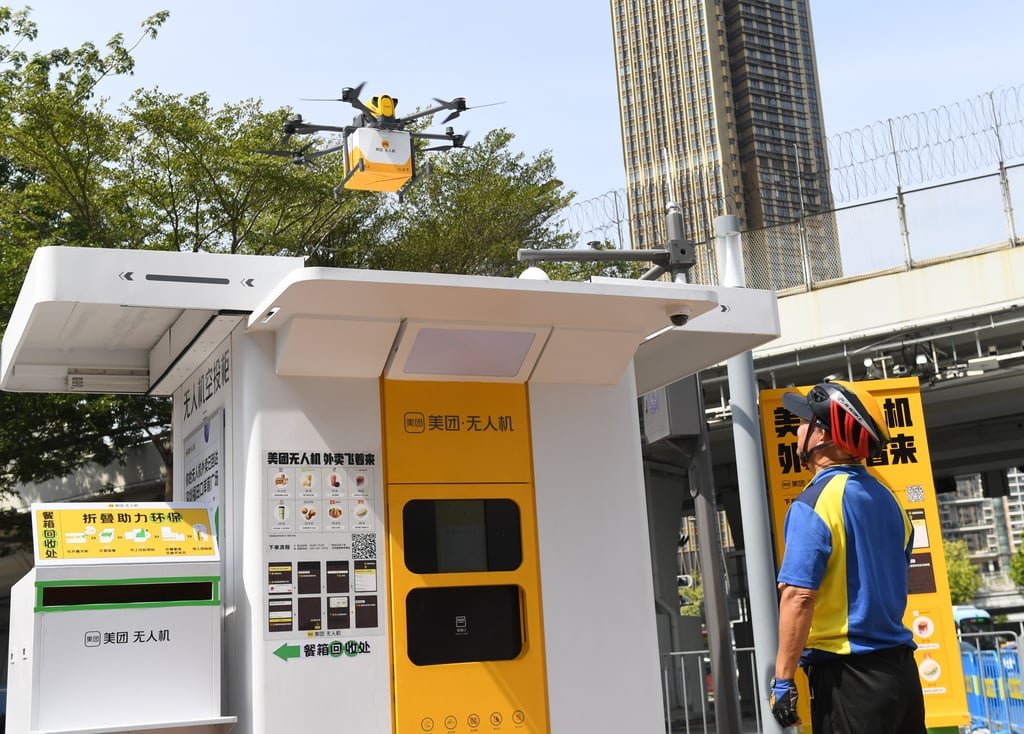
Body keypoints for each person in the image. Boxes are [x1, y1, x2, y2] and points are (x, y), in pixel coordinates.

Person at [769, 380, 925, 733]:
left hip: (849, 679)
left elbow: (799, 595)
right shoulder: (889, 500)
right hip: (900, 673)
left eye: (805, 421)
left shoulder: (815, 503)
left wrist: (783, 680)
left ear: (825, 435)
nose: (797, 429)